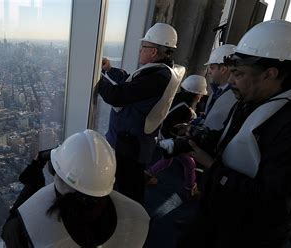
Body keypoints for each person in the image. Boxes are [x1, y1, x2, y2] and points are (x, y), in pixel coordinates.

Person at [174, 20, 291, 248]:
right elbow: (235, 138)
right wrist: (199, 136)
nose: (231, 81)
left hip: (246, 235)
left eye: (238, 74)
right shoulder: (259, 96)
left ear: (270, 73)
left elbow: (276, 206)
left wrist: (214, 168)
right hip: (220, 216)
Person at [1, 129, 150, 248]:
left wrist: (32, 183)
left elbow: (8, 233)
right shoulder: (136, 216)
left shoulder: (28, 227)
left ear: (56, 173)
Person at [98, 23, 184, 204]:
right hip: (137, 141)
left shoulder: (158, 77)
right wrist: (109, 70)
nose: (139, 50)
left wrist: (95, 77)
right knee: (131, 184)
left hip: (131, 144)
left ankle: (131, 223)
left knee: (128, 190)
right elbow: (133, 83)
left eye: (143, 47)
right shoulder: (161, 72)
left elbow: (117, 96)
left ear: (153, 52)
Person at [146, 75, 207, 198]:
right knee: (189, 163)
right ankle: (191, 188)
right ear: (196, 95)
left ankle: (147, 175)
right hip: (169, 140)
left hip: (162, 135)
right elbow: (178, 128)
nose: (201, 98)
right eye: (201, 95)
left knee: (169, 161)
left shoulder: (176, 98)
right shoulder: (186, 110)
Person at [202, 44, 238, 131]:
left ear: (223, 69)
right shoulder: (217, 92)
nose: (209, 72)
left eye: (212, 68)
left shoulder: (235, 96)